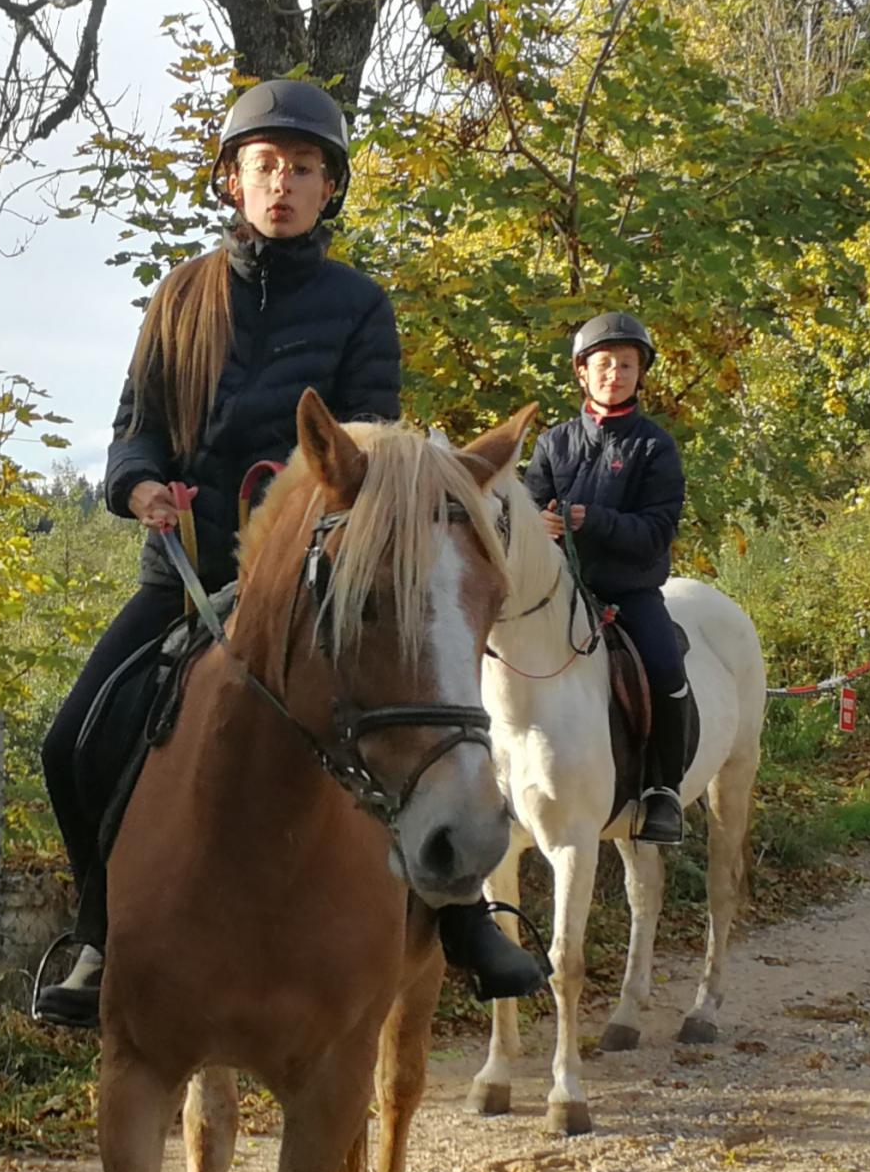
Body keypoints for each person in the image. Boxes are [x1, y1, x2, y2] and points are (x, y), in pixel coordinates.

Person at [34, 77, 542, 1027]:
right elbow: (133, 430)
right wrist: (138, 485)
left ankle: (461, 913)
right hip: (188, 576)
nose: (283, 183)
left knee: (411, 719)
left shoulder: (360, 305)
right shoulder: (180, 298)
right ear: (233, 181)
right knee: (71, 740)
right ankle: (102, 933)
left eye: (303, 169)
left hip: (318, 582)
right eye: (265, 165)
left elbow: (377, 450)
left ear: (327, 189)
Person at [523, 312, 690, 843]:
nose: (614, 373)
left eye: (625, 364)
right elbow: (523, 515)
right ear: (582, 373)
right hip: (557, 594)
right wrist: (539, 525)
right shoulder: (553, 444)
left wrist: (593, 521)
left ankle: (663, 791)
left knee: (665, 667)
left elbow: (658, 530)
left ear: (640, 375)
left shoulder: (654, 447)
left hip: (628, 592)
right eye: (604, 364)